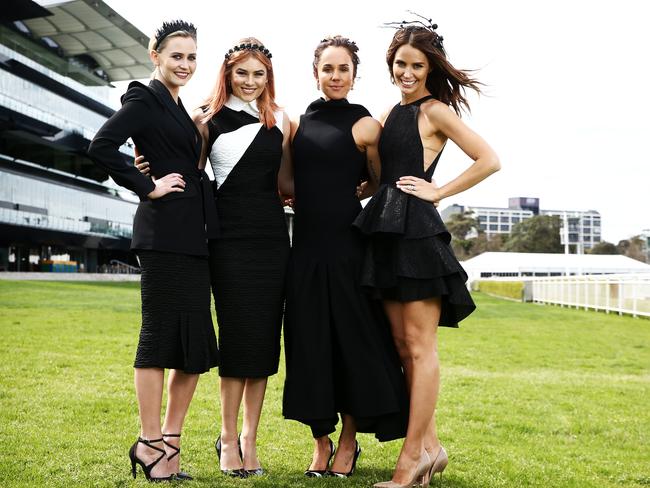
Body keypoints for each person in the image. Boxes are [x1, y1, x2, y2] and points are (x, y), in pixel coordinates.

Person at [353, 19, 501, 487]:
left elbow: (489, 159)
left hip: (416, 236)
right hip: (384, 234)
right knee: (401, 348)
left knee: (420, 349)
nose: (408, 72)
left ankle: (411, 458)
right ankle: (432, 448)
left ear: (430, 67)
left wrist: (439, 192)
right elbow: (380, 174)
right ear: (391, 65)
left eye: (417, 65)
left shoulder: (436, 111)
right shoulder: (390, 113)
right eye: (401, 63)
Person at [88, 20, 219, 482]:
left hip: (194, 236)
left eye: (191, 57)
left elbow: (184, 158)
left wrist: (197, 132)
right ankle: (148, 442)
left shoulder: (179, 107)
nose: (184, 64)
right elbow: (101, 146)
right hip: (163, 236)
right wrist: (147, 185)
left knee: (195, 345)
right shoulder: (145, 98)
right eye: (176, 56)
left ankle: (171, 444)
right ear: (155, 56)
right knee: (160, 337)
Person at [282, 35, 409, 479]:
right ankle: (321, 439)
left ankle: (349, 442)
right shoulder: (297, 124)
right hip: (305, 251)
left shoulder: (367, 125)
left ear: (355, 75)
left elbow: (378, 183)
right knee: (309, 344)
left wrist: (365, 190)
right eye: (328, 69)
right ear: (315, 73)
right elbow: (285, 181)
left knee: (352, 345)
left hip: (348, 248)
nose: (335, 77)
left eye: (344, 69)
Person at [199, 37, 292, 478]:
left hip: (273, 241)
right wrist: (146, 165)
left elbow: (290, 182)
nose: (251, 82)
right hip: (229, 243)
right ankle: (228, 438)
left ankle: (252, 439)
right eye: (243, 73)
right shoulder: (207, 120)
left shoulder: (282, 122)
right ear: (228, 74)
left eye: (259, 74)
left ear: (268, 77)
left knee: (263, 343)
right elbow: (191, 174)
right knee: (237, 341)